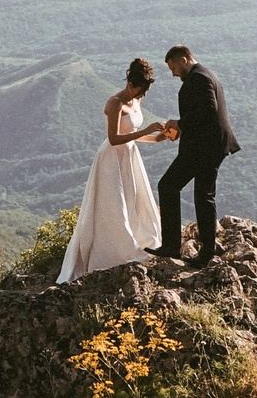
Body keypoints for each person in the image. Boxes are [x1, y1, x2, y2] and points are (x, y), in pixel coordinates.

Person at [57, 57, 176, 282]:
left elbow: (133, 136)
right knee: (114, 205)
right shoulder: (115, 103)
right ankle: (112, 251)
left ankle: (135, 240)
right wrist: (145, 132)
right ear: (131, 84)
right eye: (140, 90)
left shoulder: (135, 100)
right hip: (111, 158)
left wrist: (157, 138)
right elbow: (113, 138)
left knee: (133, 200)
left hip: (130, 156)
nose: (142, 95)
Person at [152, 44, 239, 268]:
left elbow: (209, 109)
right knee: (199, 195)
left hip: (205, 148)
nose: (173, 73)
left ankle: (189, 249)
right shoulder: (205, 75)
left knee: (176, 187)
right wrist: (181, 129)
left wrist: (180, 123)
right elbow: (203, 113)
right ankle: (198, 249)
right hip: (207, 146)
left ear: (183, 59)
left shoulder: (199, 78)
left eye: (173, 67)